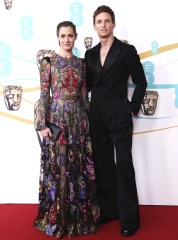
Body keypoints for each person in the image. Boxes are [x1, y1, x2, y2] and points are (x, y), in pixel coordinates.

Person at [84, 5, 147, 237]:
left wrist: (130, 107)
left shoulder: (126, 50)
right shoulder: (89, 55)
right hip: (96, 114)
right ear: (94, 25)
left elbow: (140, 81)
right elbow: (88, 85)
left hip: (119, 113)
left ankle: (130, 219)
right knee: (102, 164)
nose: (103, 24)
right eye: (99, 21)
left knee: (123, 165)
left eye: (107, 20)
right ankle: (109, 211)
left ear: (113, 24)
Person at [34, 21, 100, 239]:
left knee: (77, 167)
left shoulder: (81, 64)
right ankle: (58, 218)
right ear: (57, 37)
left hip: (78, 120)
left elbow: (84, 97)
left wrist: (90, 122)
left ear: (76, 36)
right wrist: (42, 124)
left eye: (70, 35)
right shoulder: (48, 62)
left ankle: (77, 218)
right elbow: (44, 96)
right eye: (63, 36)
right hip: (57, 120)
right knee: (59, 168)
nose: (67, 39)